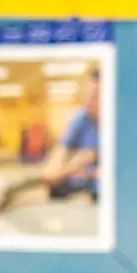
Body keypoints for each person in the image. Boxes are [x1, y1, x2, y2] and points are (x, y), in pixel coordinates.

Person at [40, 70, 101, 200]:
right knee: (57, 187)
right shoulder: (81, 117)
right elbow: (62, 147)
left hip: (102, 179)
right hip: (84, 176)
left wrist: (70, 169)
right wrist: (52, 167)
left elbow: (89, 155)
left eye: (95, 96)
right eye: (88, 95)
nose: (89, 101)